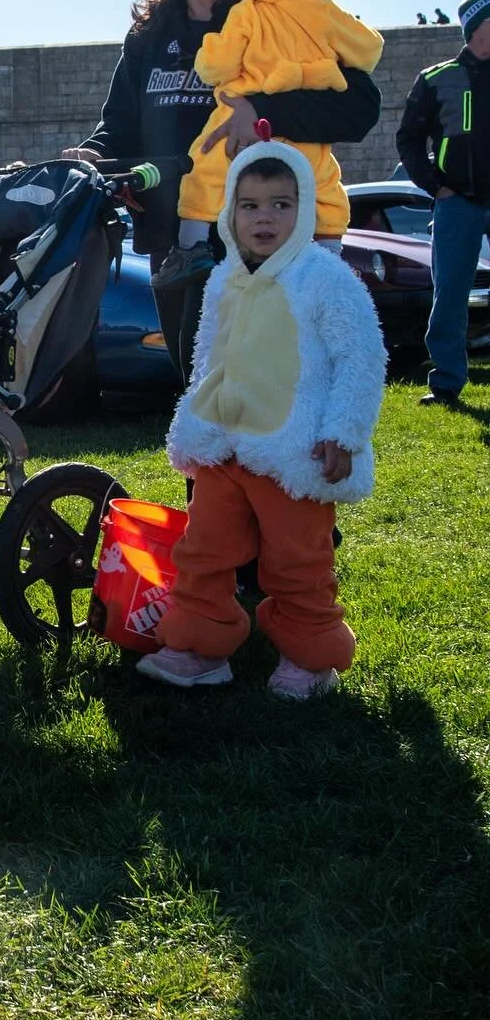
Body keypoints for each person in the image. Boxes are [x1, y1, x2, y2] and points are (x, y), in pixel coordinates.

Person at [64, 0, 381, 382]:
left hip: (267, 245)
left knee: (274, 396)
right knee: (200, 397)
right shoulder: (148, 34)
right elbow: (119, 126)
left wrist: (262, 109)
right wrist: (92, 155)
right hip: (176, 248)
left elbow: (358, 107)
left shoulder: (273, 16)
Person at [137, 142, 386, 697]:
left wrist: (342, 432)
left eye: (280, 204)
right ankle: (202, 646)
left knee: (297, 560)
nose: (264, 218)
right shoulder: (225, 277)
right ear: (229, 213)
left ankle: (309, 655)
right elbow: (208, 352)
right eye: (249, 206)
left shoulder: (325, 278)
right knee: (203, 550)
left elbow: (361, 358)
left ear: (305, 212)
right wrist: (196, 418)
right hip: (224, 445)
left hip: (294, 450)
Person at [174, 0, 383, 266]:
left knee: (208, 169)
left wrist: (206, 55)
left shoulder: (247, 13)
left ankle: (193, 243)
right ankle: (329, 245)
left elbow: (217, 65)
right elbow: (369, 48)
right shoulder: (327, 13)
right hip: (307, 140)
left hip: (240, 132)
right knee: (321, 185)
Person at [394, 0, 490, 407]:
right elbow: (409, 140)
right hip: (458, 203)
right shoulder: (436, 79)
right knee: (450, 293)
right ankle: (447, 383)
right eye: (486, 26)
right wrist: (437, 186)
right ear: (473, 31)